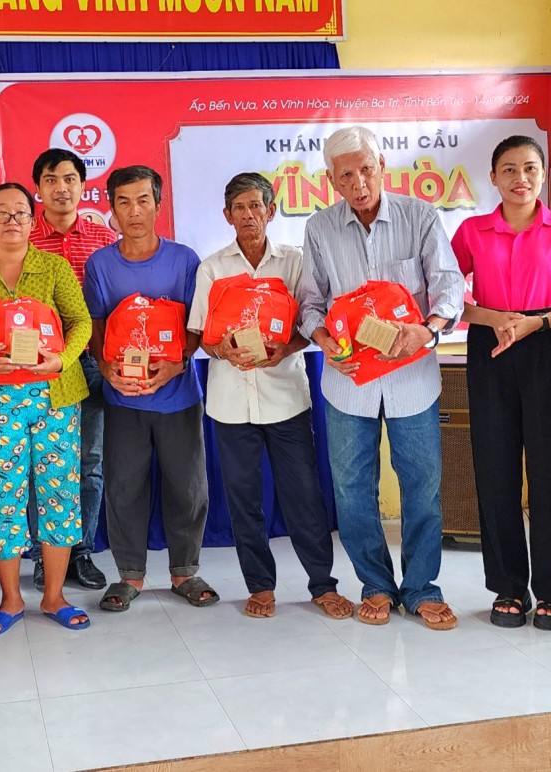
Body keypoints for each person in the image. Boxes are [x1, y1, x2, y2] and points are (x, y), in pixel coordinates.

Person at [299, 126, 465, 630]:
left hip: (413, 381)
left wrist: (427, 330)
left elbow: (449, 288)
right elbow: (311, 301)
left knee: (422, 487)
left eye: (366, 170)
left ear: (382, 167)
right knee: (352, 490)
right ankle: (375, 584)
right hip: (348, 385)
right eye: (345, 175)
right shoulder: (320, 228)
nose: (358, 183)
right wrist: (323, 339)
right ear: (332, 180)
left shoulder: (420, 216)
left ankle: (421, 588)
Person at [451, 136, 551, 631]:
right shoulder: (471, 231)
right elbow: (445, 297)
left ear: (543, 173)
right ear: (493, 177)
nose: (521, 178)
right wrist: (494, 317)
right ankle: (509, 587)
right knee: (494, 470)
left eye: (531, 168)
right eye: (510, 169)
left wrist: (538, 323)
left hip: (546, 343)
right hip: (490, 346)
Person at [188, 173, 352, 620]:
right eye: (239, 208)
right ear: (227, 216)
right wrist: (220, 349)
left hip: (286, 400)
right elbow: (201, 336)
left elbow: (312, 322)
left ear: (271, 211)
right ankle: (260, 587)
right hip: (230, 404)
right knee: (244, 501)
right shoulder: (212, 268)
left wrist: (288, 347)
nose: (248, 215)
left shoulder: (295, 263)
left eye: (255, 206)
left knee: (304, 496)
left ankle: (322, 585)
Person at [0, 182, 93, 636]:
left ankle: (54, 596)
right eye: (1, 213)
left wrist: (61, 360)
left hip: (54, 397)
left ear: (33, 220)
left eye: (20, 213)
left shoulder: (55, 268)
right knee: (3, 497)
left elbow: (81, 322)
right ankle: (10, 600)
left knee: (59, 494)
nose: (12, 221)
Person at [84, 165, 214, 613]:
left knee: (188, 487)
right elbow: (95, 325)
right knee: (124, 487)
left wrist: (178, 364)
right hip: (123, 398)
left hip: (178, 396)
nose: (134, 211)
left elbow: (197, 324)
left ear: (158, 205)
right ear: (112, 209)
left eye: (143, 200)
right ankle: (129, 576)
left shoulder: (184, 260)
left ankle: (185, 572)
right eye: (123, 202)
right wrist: (105, 367)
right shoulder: (101, 265)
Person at [27, 147, 118, 592]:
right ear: (38, 189)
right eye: (51, 180)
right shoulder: (23, 239)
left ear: (83, 186)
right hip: (38, 364)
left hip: (93, 359)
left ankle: (80, 552)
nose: (61, 188)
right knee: (39, 461)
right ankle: (43, 555)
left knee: (89, 460)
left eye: (69, 179)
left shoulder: (103, 239)